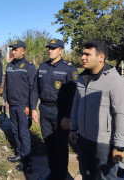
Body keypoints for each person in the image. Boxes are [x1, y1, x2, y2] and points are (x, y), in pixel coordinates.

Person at [70, 40, 124, 179]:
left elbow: (121, 113)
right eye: (82, 54)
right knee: (86, 174)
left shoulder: (114, 80)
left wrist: (119, 146)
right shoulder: (82, 77)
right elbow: (76, 103)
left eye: (87, 54)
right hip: (83, 139)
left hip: (104, 144)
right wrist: (73, 127)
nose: (83, 57)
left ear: (101, 57)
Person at [35, 38, 77, 180]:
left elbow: (73, 95)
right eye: (49, 48)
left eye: (53, 48)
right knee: (49, 143)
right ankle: (53, 172)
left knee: (60, 146)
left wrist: (68, 116)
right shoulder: (42, 67)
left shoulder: (69, 68)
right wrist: (34, 109)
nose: (50, 50)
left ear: (61, 51)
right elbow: (35, 88)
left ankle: (62, 174)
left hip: (60, 113)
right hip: (45, 110)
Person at [4, 40, 38, 171]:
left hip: (23, 106)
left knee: (23, 133)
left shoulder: (29, 67)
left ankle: (26, 159)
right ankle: (19, 154)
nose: (13, 52)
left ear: (23, 51)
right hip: (12, 104)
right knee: (15, 131)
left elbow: (32, 88)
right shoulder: (9, 66)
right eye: (12, 49)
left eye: (16, 49)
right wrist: (6, 99)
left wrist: (30, 106)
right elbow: (7, 84)